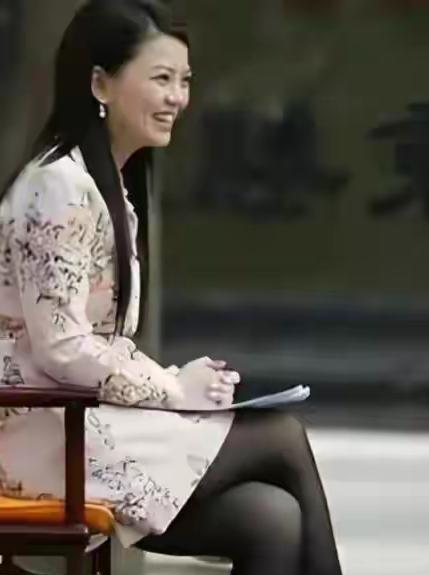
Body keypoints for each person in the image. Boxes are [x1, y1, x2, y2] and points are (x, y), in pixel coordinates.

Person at [0, 2, 342, 574]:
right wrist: (170, 388)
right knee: (280, 436)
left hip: (77, 427)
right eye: (161, 79)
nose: (178, 98)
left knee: (271, 518)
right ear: (100, 84)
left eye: (184, 81)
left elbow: (98, 344)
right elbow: (63, 347)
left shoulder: (102, 185)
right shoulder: (56, 186)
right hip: (39, 437)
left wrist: (181, 383)